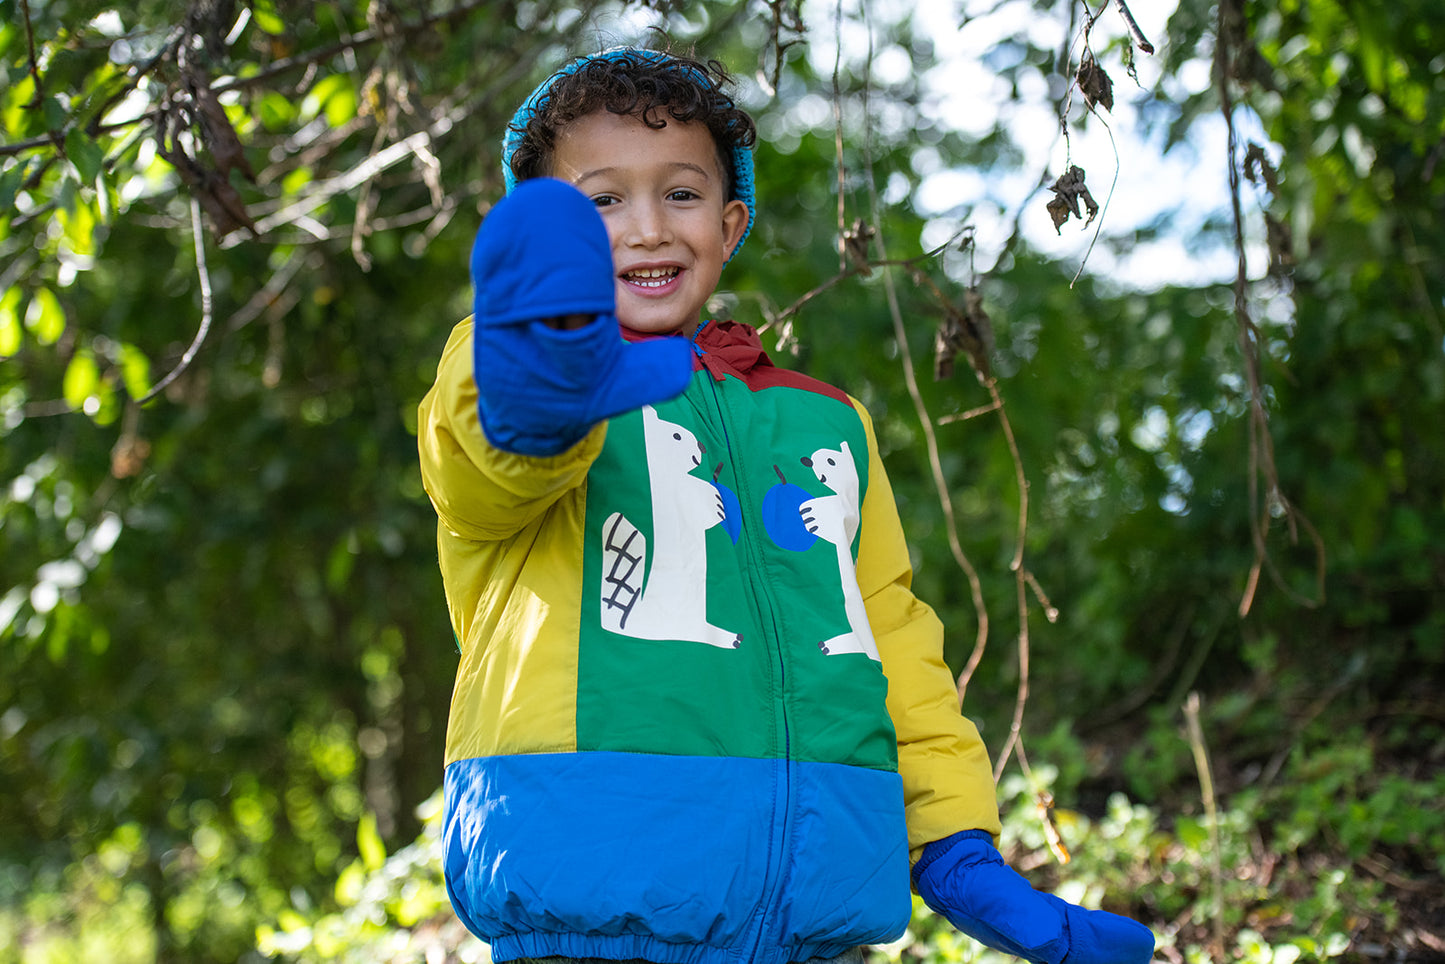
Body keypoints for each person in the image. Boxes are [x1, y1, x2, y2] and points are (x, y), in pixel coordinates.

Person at [417, 46, 1155, 964]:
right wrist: (543, 365)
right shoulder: (510, 365)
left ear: (730, 225)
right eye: (599, 202)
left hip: (815, 922)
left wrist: (953, 840)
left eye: (679, 195)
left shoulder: (825, 422)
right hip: (586, 916)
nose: (645, 227)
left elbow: (883, 631)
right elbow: (482, 470)